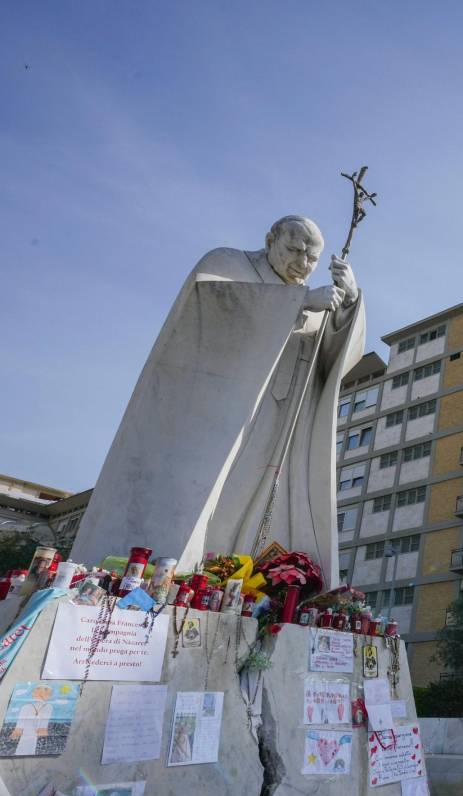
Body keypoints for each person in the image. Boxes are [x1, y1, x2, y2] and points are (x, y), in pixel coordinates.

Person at [72, 215, 365, 576]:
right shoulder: (228, 265)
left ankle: (226, 580)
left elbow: (331, 361)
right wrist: (297, 302)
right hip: (213, 422)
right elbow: (207, 310)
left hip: (277, 426)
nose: (302, 263)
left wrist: (348, 303)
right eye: (294, 250)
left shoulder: (314, 299)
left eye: (312, 258)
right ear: (270, 239)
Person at [12, 683, 53, 755]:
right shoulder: (26, 707)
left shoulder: (48, 707)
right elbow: (20, 726)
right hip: (28, 736)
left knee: (26, 750)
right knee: (25, 750)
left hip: (32, 736)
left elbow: (20, 726)